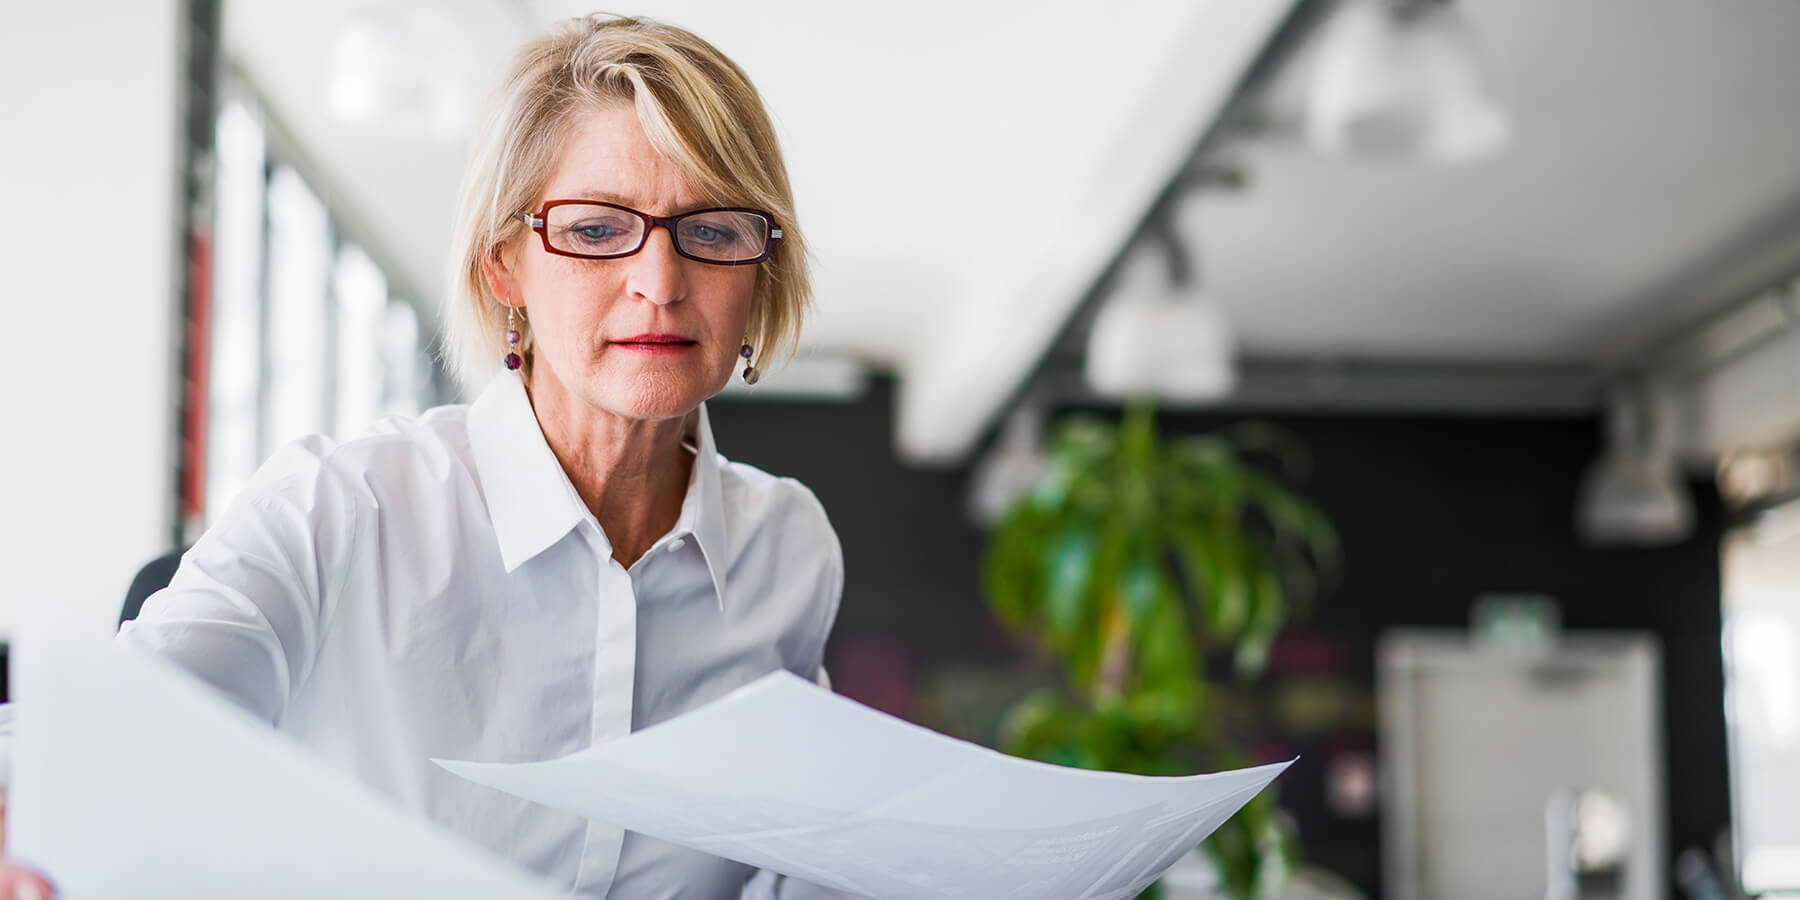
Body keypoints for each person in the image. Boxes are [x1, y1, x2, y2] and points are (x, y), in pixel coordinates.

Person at [0, 14, 849, 899]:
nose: (661, 282)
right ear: (503, 269)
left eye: (712, 233)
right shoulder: (339, 509)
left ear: (762, 272)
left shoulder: (788, 551)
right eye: (597, 230)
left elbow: (781, 852)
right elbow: (105, 734)